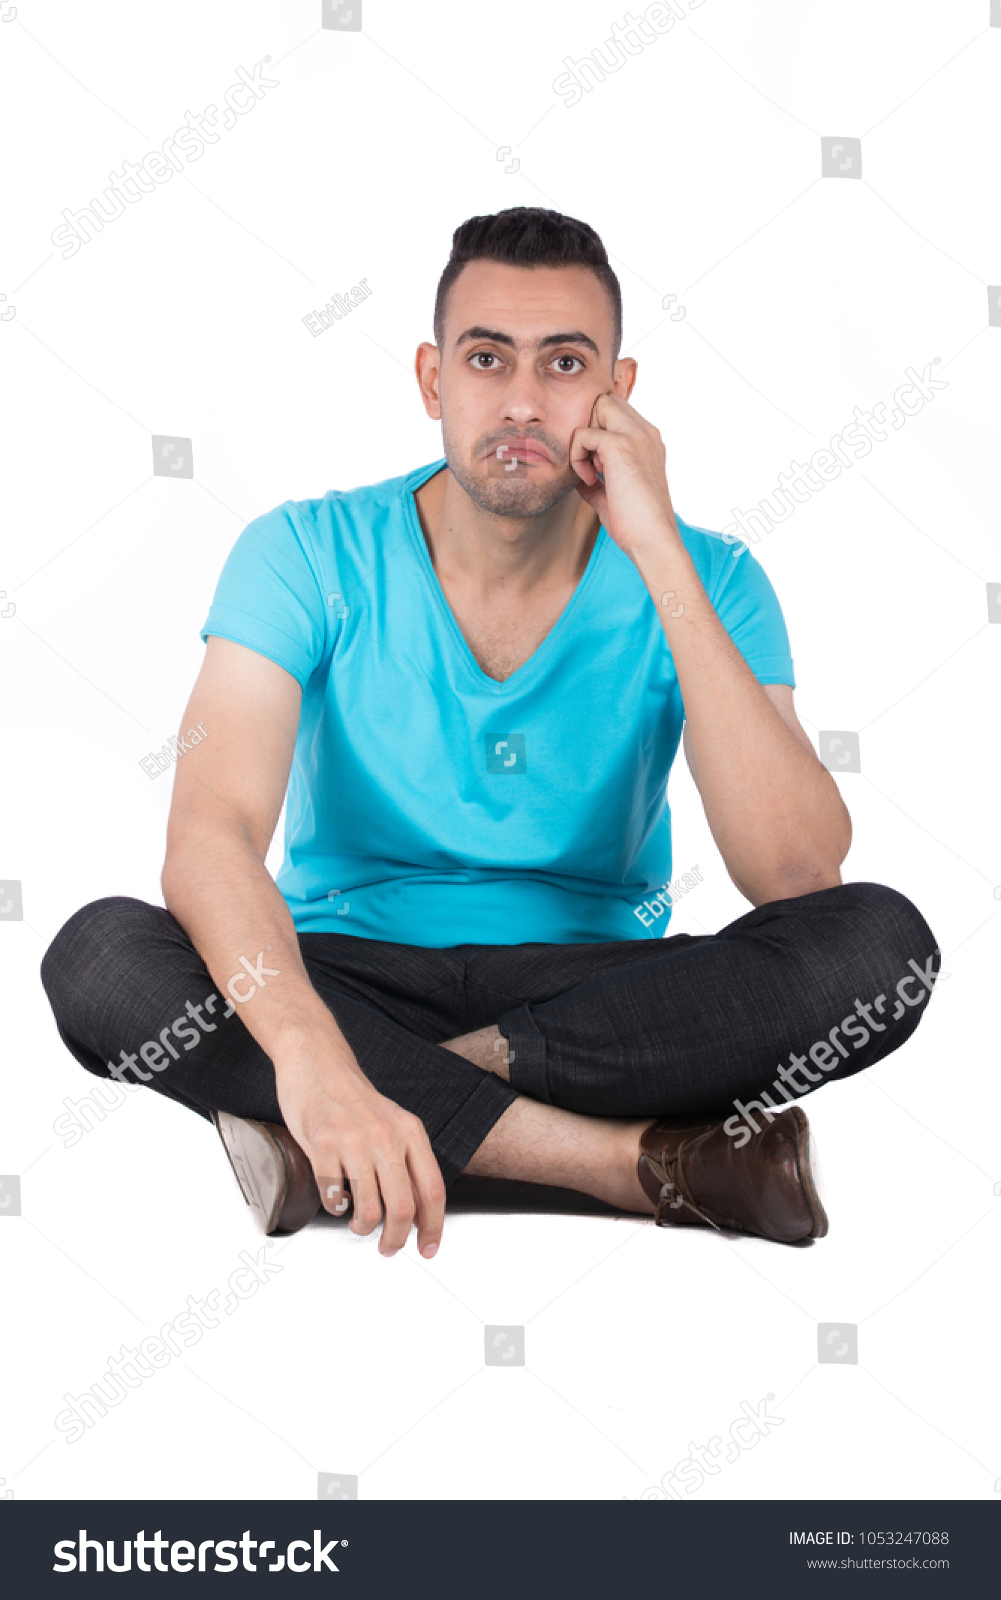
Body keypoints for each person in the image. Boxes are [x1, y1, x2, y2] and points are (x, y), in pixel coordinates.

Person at [41, 207, 939, 1255]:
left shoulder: (712, 577)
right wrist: (312, 1050)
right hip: (341, 968)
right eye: (484, 358)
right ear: (432, 380)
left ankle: (327, 1143)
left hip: (599, 997)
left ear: (618, 391)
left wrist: (654, 549)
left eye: (563, 363)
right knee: (102, 955)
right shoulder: (303, 551)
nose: (519, 400)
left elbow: (794, 870)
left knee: (882, 949)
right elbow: (210, 837)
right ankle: (620, 1162)